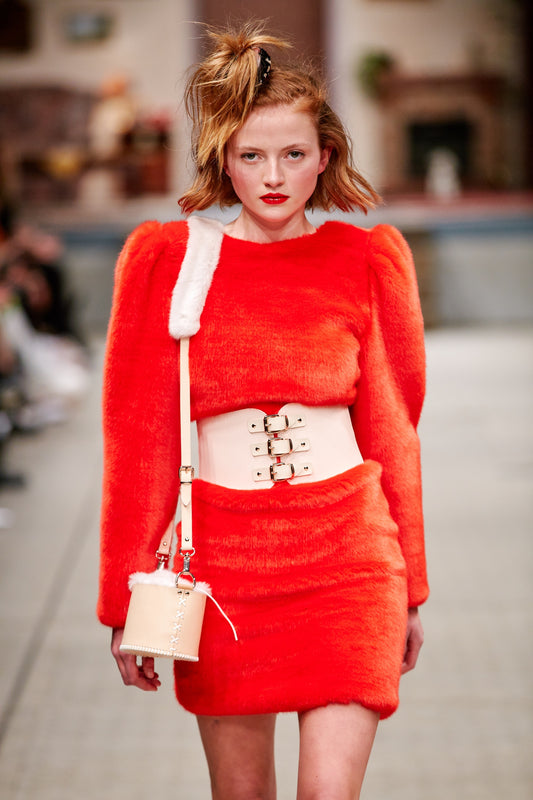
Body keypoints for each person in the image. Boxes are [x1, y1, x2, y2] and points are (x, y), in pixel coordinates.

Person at [98, 22, 428, 800]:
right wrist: (122, 599)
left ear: (325, 156)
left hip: (348, 557)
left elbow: (393, 431)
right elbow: (137, 440)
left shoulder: (367, 261)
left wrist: (411, 586)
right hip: (224, 569)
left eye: (293, 155)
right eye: (251, 156)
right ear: (222, 159)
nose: (273, 176)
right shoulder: (167, 263)